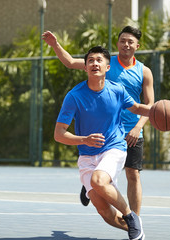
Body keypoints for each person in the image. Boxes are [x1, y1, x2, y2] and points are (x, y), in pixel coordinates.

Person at [43, 26, 154, 216]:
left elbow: (149, 105)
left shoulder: (144, 71)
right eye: (122, 41)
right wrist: (55, 44)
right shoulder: (103, 63)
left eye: (130, 41)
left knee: (133, 174)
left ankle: (135, 220)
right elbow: (70, 62)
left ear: (137, 45)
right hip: (106, 128)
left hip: (132, 129)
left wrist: (138, 127)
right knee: (100, 170)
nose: (126, 44)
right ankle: (92, 184)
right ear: (117, 43)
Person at [54, 46, 149, 240]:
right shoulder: (74, 96)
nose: (94, 63)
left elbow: (138, 107)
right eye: (90, 60)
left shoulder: (117, 90)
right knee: (102, 208)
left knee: (98, 181)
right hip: (87, 154)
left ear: (107, 67)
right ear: (86, 67)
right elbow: (59, 134)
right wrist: (84, 140)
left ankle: (132, 217)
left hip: (114, 147)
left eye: (99, 60)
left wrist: (156, 111)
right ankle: (136, 231)